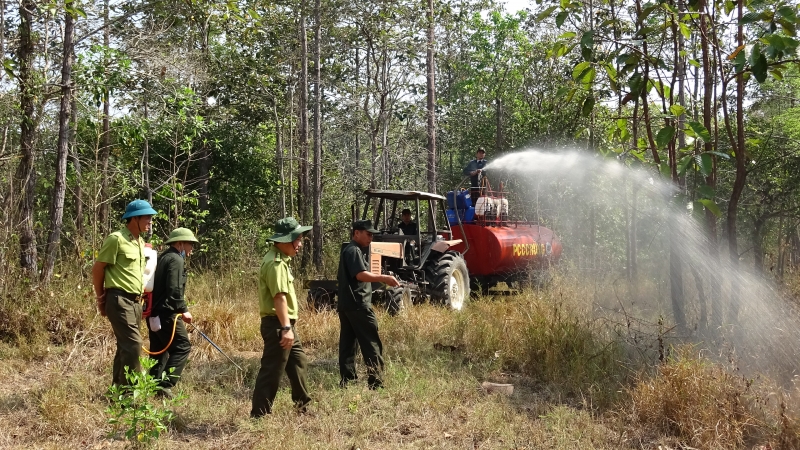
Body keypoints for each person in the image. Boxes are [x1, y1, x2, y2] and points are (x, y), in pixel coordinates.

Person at [251, 217, 314, 417]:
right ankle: (259, 415)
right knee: (272, 371)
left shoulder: (280, 260)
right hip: (279, 325)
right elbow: (279, 298)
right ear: (287, 240)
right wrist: (286, 328)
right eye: (298, 240)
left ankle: (302, 406)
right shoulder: (275, 264)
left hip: (285, 325)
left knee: (298, 363)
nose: (300, 245)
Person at [92, 199, 157, 386]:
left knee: (125, 347)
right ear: (134, 218)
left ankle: (118, 391)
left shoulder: (139, 242)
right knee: (134, 345)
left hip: (136, 302)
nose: (150, 222)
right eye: (147, 218)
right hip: (119, 299)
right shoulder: (116, 239)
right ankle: (130, 395)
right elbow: (98, 269)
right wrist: (100, 298)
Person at [337, 219, 400, 389]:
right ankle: (376, 383)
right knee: (371, 343)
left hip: (346, 304)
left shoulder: (348, 249)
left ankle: (348, 381)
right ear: (356, 233)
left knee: (348, 345)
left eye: (373, 235)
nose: (371, 238)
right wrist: (383, 277)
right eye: (368, 234)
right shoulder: (354, 250)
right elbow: (360, 275)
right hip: (358, 304)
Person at [148, 227, 199, 398]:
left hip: (154, 314)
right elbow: (174, 289)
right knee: (182, 346)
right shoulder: (176, 260)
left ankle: (153, 386)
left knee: (160, 350)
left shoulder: (164, 258)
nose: (192, 248)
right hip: (167, 314)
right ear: (180, 243)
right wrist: (183, 310)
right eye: (190, 244)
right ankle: (165, 384)